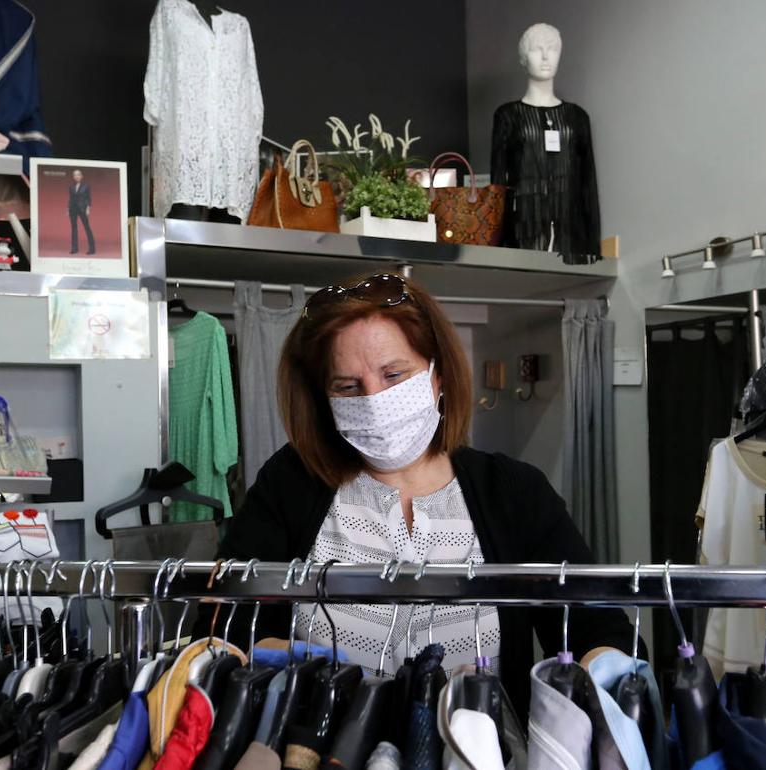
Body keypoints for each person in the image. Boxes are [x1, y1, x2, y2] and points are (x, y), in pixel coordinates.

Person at [201, 273, 636, 719]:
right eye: (348, 387)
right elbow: (221, 627)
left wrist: (602, 677)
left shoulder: (514, 492)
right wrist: (286, 660)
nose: (374, 400)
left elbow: (597, 627)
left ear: (438, 374)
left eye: (394, 374)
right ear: (323, 399)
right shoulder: (292, 482)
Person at [67, 169, 95, 254]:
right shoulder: (71, 187)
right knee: (74, 228)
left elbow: (89, 198)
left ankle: (92, 249)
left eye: (78, 174)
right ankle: (74, 248)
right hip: (73, 209)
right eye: (75, 175)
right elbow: (70, 199)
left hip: (82, 209)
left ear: (81, 176)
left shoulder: (86, 186)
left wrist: (88, 208)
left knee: (87, 227)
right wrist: (68, 209)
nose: (76, 176)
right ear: (73, 177)